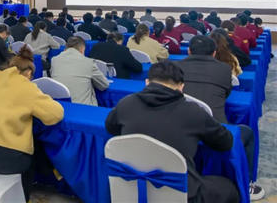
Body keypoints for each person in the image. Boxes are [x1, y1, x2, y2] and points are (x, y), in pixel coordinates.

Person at [105, 61, 239, 203]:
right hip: (183, 194)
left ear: (147, 82)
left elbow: (110, 127)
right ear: (181, 87)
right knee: (228, 189)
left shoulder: (125, 103)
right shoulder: (193, 112)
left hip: (132, 187)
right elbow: (225, 142)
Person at [177, 36, 264, 200]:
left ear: (188, 51)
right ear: (214, 53)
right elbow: (225, 93)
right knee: (247, 133)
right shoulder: (224, 69)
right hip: (215, 134)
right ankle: (247, 183)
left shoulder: (175, 67)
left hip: (180, 128)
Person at [0, 46, 64, 201]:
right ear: (29, 73)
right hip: (5, 159)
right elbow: (55, 114)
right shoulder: (26, 86)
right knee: (34, 150)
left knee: (32, 140)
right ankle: (25, 196)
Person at [51, 36, 109, 105]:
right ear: (82, 49)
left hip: (59, 105)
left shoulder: (54, 60)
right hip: (83, 107)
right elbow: (104, 85)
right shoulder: (88, 62)